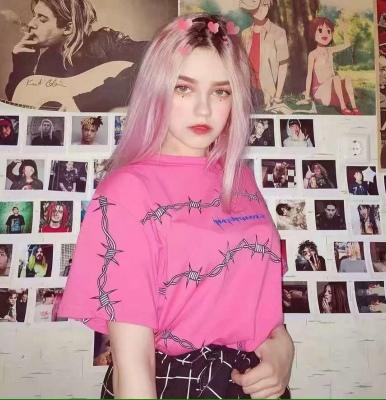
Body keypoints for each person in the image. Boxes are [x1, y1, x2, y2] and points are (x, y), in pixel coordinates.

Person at [58, 14, 294, 399]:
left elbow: (256, 296)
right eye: (184, 88)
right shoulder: (127, 191)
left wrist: (282, 349)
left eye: (221, 92)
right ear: (156, 89)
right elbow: (134, 363)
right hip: (175, 383)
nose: (204, 110)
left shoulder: (238, 177)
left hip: (253, 383)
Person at [6, 0, 146, 112]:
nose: (31, 24)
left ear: (68, 28)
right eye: (34, 16)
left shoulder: (107, 43)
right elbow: (24, 105)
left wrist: (85, 102)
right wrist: (22, 65)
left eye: (42, 19)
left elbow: (157, 60)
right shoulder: (48, 59)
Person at [303, 17, 360, 115]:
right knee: (336, 78)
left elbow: (347, 44)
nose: (325, 34)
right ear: (313, 33)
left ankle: (354, 107)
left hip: (333, 90)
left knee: (347, 78)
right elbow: (309, 75)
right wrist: (307, 96)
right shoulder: (313, 54)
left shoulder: (330, 50)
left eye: (328, 31)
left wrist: (344, 29)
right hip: (320, 92)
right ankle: (343, 107)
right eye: (320, 30)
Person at [240, 0, 289, 108]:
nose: (261, 9)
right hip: (248, 90)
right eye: (257, 6)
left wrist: (277, 96)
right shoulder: (245, 34)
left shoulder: (279, 32)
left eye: (264, 5)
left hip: (268, 93)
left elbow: (283, 65)